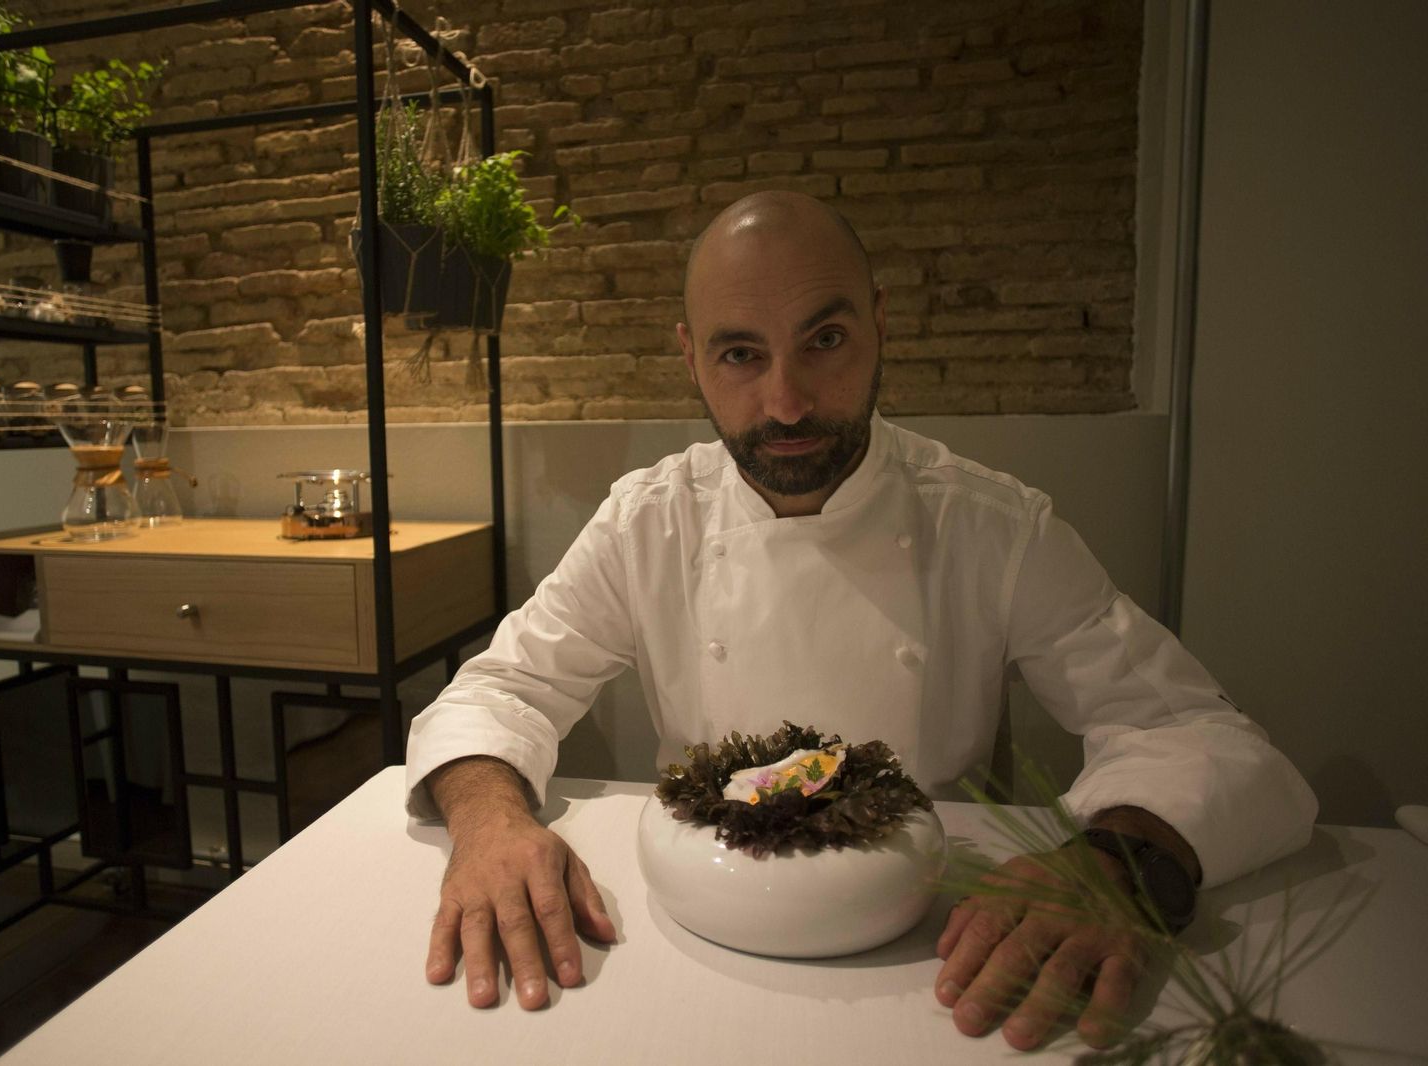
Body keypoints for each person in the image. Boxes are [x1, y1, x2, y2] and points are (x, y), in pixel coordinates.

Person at [405, 191, 1317, 1048]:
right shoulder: (650, 520)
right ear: (690, 357)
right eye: (740, 354)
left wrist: (1115, 863)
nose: (788, 401)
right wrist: (489, 821)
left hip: (939, 955)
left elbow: (1198, 731)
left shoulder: (988, 525)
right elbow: (504, 685)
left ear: (880, 324)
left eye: (826, 339)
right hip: (694, 941)